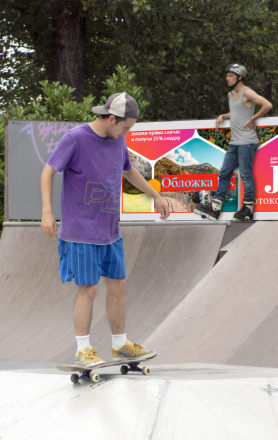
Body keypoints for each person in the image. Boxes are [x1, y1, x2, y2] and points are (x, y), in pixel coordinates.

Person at [40, 92, 170, 368]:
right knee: (88, 289)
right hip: (81, 231)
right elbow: (48, 171)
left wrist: (155, 195)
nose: (127, 132)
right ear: (111, 118)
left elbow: (129, 171)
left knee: (118, 285)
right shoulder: (75, 139)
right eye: (125, 127)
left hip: (110, 230)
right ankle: (83, 350)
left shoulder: (117, 140)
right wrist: (47, 212)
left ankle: (120, 345)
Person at [194, 64, 272, 221]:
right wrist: (223, 115)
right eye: (227, 75)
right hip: (234, 142)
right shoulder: (230, 95)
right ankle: (215, 208)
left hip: (247, 142)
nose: (227, 78)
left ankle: (248, 209)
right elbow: (236, 112)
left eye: (230, 75)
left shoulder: (247, 92)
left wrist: (253, 119)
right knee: (224, 172)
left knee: (245, 175)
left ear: (239, 77)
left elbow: (267, 105)